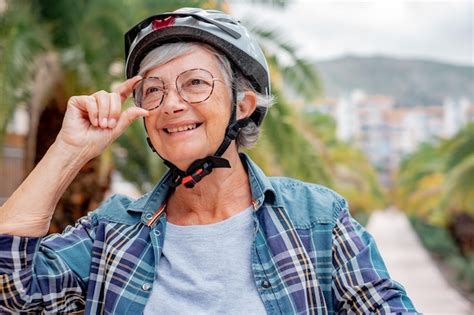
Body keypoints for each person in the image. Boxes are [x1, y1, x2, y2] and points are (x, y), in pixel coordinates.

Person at [0, 7, 418, 314]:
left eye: (195, 83)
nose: (172, 104)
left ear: (243, 105)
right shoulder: (110, 232)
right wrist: (68, 150)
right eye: (154, 90)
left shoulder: (320, 221)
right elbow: (11, 295)